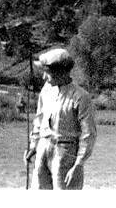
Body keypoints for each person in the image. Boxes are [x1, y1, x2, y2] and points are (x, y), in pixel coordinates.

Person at [24, 48, 97, 190]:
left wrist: (78, 165)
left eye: (47, 73)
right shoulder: (46, 90)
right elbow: (39, 120)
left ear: (60, 72)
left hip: (65, 154)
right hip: (43, 149)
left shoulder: (81, 97)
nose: (44, 77)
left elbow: (88, 134)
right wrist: (33, 145)